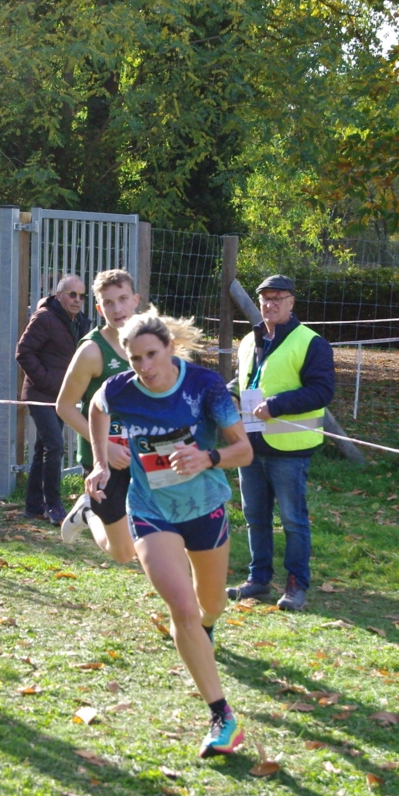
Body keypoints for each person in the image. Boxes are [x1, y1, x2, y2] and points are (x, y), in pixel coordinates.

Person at [86, 308, 252, 758]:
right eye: (135, 358)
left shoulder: (204, 387)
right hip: (151, 510)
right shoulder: (120, 388)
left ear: (170, 348)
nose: (145, 367)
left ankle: (206, 627)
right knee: (181, 607)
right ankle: (222, 717)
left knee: (209, 605)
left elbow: (244, 450)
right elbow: (96, 408)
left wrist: (208, 458)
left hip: (204, 507)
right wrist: (101, 462)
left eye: (152, 355)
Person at [227, 274, 335, 612]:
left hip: (290, 449)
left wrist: (276, 405)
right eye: (265, 298)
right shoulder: (249, 340)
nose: (270, 304)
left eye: (278, 298)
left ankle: (296, 585)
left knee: (292, 520)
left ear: (291, 302)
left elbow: (322, 391)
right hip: (250, 444)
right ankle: (258, 579)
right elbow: (243, 379)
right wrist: (230, 395)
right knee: (255, 517)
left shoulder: (312, 343)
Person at [56, 269, 139, 562]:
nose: (117, 309)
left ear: (136, 300)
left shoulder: (149, 342)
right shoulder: (92, 351)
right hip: (105, 461)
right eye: (109, 303)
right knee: (122, 553)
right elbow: (64, 406)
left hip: (144, 455)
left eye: (123, 299)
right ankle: (87, 512)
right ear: (99, 308)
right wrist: (106, 447)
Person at [15, 274, 91, 525]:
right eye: (72, 294)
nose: (77, 300)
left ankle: (33, 505)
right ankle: (53, 506)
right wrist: (48, 382)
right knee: (55, 445)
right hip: (41, 394)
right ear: (59, 296)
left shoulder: (80, 322)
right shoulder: (44, 318)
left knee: (44, 448)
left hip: (61, 396)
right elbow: (23, 352)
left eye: (82, 296)